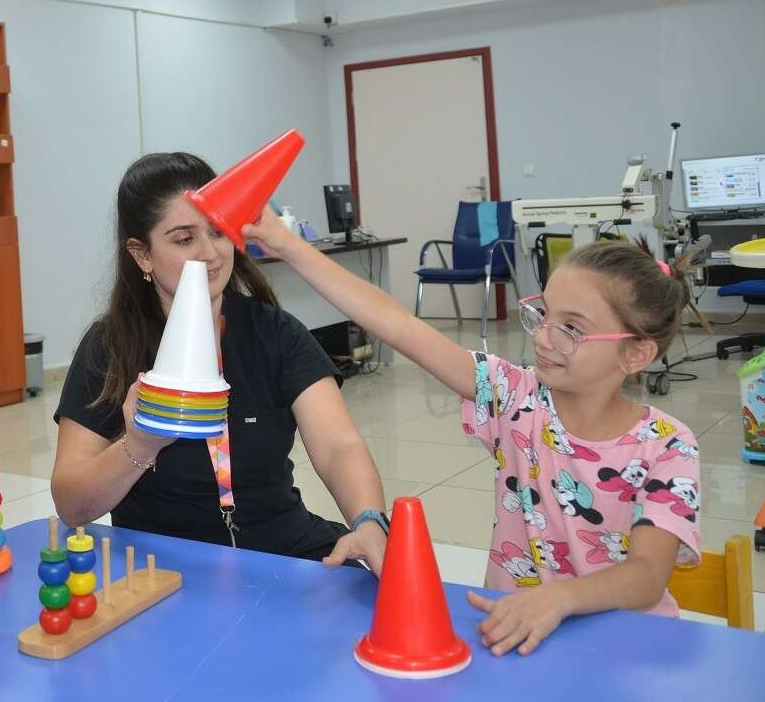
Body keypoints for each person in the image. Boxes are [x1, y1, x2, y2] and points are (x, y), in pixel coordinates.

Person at [244, 213, 702, 657]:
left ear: (635, 354)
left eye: (571, 329)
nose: (543, 338)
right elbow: (398, 325)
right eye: (543, 314)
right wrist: (290, 246)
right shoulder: (515, 397)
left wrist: (557, 599)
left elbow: (647, 578)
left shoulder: (666, 445)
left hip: (623, 649)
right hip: (513, 637)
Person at [51, 152, 390, 571]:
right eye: (184, 239)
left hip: (280, 549)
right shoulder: (109, 348)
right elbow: (71, 504)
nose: (210, 253)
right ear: (142, 255)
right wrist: (138, 446)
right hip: (164, 569)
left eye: (218, 231)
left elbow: (338, 446)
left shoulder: (275, 332)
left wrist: (369, 520)